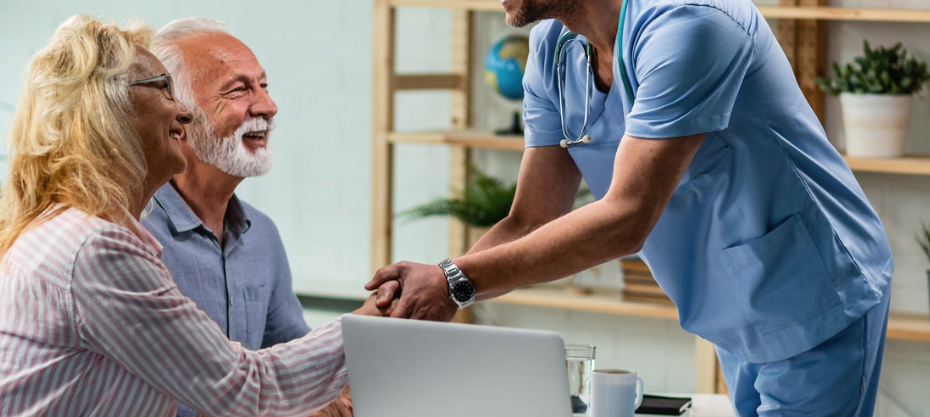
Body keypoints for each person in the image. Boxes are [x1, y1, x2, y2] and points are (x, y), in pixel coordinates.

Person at [367, 0, 894, 415]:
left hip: (818, 295)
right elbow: (529, 220)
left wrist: (455, 279)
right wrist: (438, 297)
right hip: (734, 312)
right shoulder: (553, 50)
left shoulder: (691, 22)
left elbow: (627, 218)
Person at [0, 15, 381, 417]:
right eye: (164, 88)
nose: (183, 112)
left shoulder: (74, 230)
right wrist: (381, 316)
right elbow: (243, 389)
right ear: (110, 112)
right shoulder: (96, 249)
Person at [140, 17, 350, 417]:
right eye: (239, 90)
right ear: (177, 118)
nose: (268, 107)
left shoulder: (262, 237)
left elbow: (298, 362)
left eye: (264, 86)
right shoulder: (129, 236)